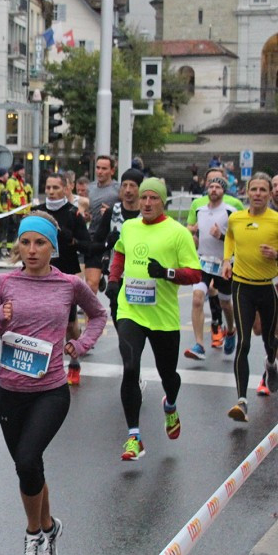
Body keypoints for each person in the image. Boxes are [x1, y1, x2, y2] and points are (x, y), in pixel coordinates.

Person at [0, 212, 105, 555]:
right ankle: (49, 528)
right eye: (25, 242)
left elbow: (99, 315)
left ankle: (32, 535)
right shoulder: (3, 283)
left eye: (39, 243)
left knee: (28, 459)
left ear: (52, 248)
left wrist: (81, 345)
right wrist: (1, 322)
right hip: (10, 392)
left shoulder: (69, 285)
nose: (31, 250)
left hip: (51, 391)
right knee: (29, 469)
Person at [106, 178, 201, 461]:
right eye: (144, 198)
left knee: (168, 375)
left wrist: (167, 273)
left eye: (153, 199)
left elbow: (195, 274)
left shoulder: (177, 232)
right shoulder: (130, 226)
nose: (147, 203)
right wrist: (113, 279)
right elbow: (120, 251)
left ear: (163, 202)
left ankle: (170, 405)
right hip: (131, 310)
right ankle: (134, 436)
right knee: (130, 367)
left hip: (163, 316)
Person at [222, 173, 278, 421]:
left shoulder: (276, 220)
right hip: (242, 286)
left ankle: (271, 365)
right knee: (244, 343)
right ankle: (241, 402)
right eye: (253, 189)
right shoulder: (236, 218)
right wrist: (227, 259)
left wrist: (276, 253)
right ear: (246, 191)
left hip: (268, 287)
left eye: (262, 190)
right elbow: (230, 237)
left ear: (269, 194)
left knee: (270, 341)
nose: (257, 194)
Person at [40, 173, 91, 386]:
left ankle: (74, 360)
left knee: (70, 324)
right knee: (42, 319)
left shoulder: (73, 214)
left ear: (65, 189)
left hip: (65, 275)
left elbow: (85, 243)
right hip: (40, 273)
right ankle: (46, 364)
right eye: (48, 187)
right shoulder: (38, 213)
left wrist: (69, 238)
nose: (51, 192)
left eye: (55, 188)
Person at [187, 166, 245, 348]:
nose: (214, 189)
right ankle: (199, 345)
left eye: (218, 187)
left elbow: (240, 240)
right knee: (197, 298)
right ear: (207, 188)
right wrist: (193, 235)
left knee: (225, 303)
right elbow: (195, 235)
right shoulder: (200, 210)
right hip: (203, 261)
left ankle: (230, 329)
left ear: (224, 190)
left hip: (223, 264)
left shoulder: (231, 211)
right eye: (211, 186)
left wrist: (221, 235)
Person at [94, 169, 144, 324]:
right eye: (125, 185)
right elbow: (96, 242)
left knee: (138, 317)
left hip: (141, 274)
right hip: (117, 273)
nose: (128, 190)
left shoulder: (146, 213)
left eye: (133, 186)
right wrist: (109, 242)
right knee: (117, 313)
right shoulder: (112, 212)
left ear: (140, 188)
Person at [84, 157, 119, 293]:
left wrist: (111, 211)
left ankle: (103, 274)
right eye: (98, 168)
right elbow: (88, 210)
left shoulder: (118, 188)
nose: (100, 171)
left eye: (104, 168)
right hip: (93, 237)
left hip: (111, 239)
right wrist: (87, 216)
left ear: (112, 170)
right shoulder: (91, 188)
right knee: (90, 284)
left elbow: (127, 208)